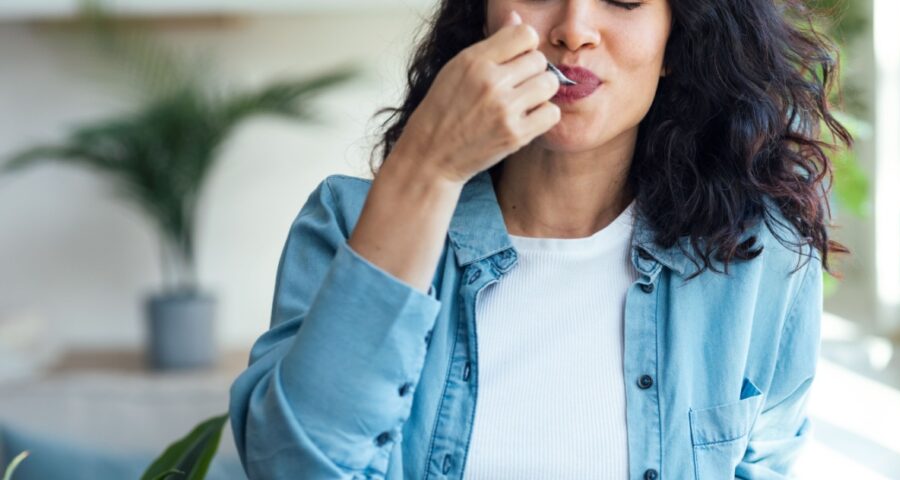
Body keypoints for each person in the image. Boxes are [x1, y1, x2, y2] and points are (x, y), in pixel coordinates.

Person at [229, 0, 850, 478]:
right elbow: (293, 466)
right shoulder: (348, 224)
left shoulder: (762, 254)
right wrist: (427, 166)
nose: (574, 28)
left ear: (675, 41)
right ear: (484, 17)